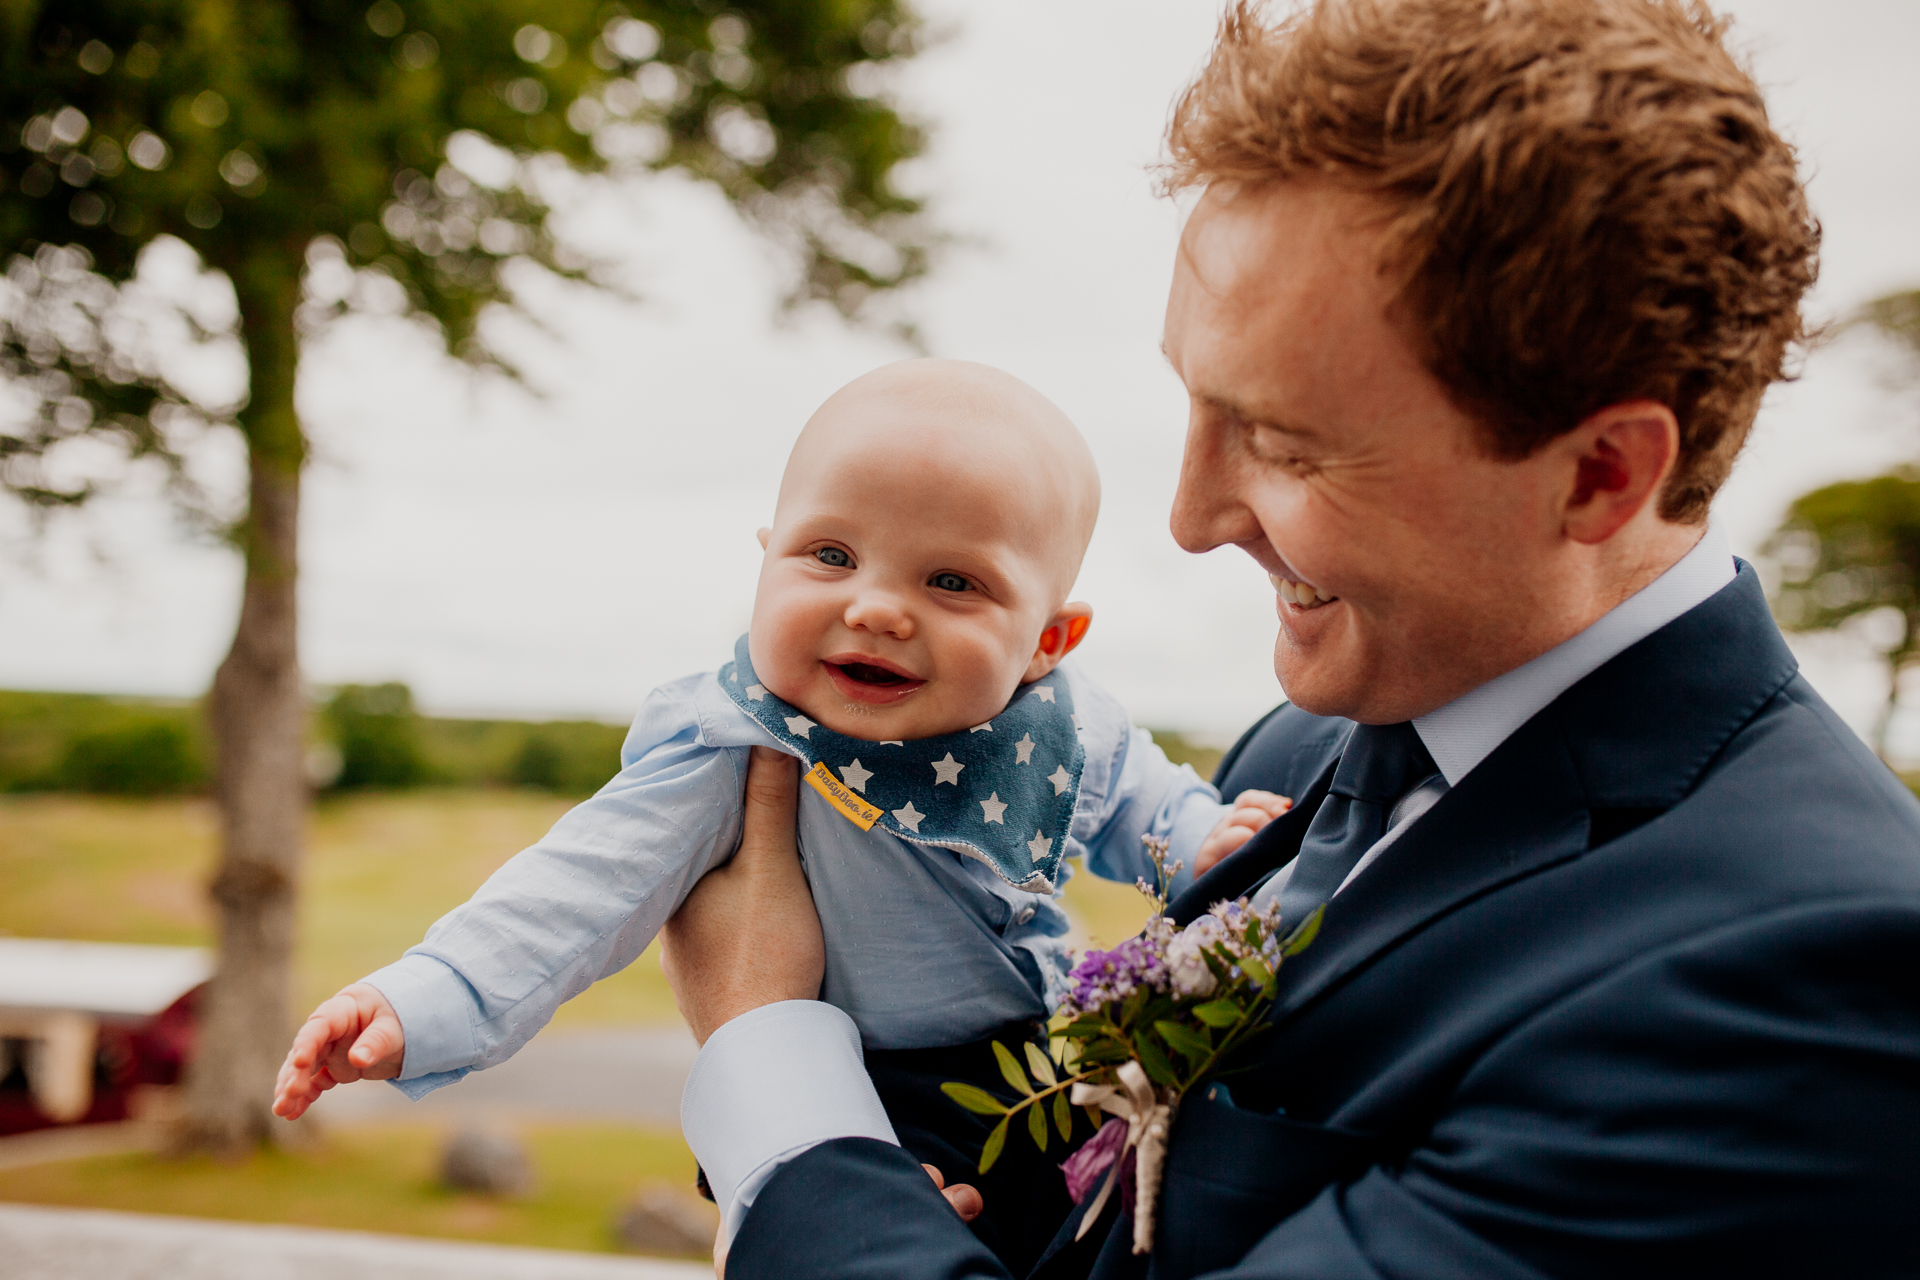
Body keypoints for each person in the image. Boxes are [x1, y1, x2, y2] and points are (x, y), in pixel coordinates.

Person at [657, 1, 1920, 1276]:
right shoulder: (1316, 735)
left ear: (1597, 472)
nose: (1194, 516)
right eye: (1194, 405)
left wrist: (775, 1077)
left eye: (1285, 442)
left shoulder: (1803, 988)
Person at [270, 358, 1287, 1274]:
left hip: (1052, 1067)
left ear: (1047, 638)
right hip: (867, 1090)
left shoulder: (1062, 727)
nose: (879, 607)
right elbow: (579, 886)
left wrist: (1202, 838)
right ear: (765, 560)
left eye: (951, 580)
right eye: (830, 555)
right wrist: (427, 995)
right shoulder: (741, 743)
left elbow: (1142, 800)